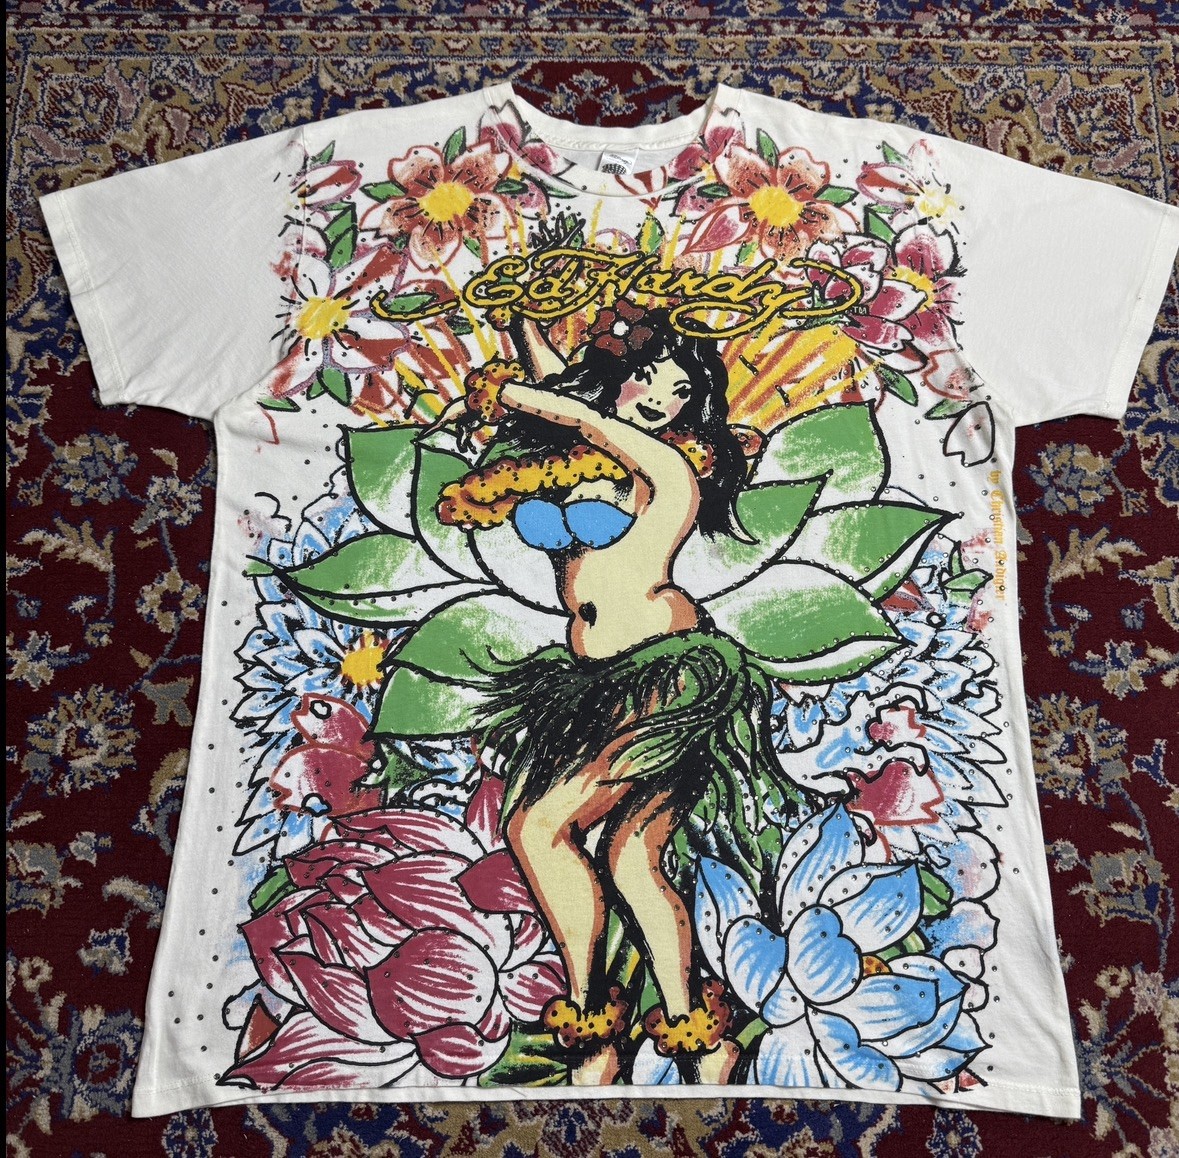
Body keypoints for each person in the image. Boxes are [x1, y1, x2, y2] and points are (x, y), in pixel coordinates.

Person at [432, 305, 809, 1085]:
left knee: (538, 827)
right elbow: (572, 397)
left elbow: (581, 413)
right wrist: (523, 324)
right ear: (618, 375)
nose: (660, 399)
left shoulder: (667, 468)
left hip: (665, 676)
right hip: (598, 682)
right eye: (647, 378)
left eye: (679, 391)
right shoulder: (590, 457)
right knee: (632, 858)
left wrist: (507, 394)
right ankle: (699, 1040)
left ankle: (588, 1027)